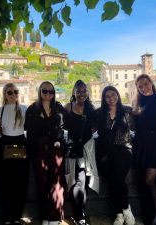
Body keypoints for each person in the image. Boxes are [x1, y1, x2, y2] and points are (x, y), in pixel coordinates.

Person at [132, 74, 156, 225]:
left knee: (150, 179)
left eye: (145, 84)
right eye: (140, 86)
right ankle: (150, 214)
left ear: (151, 83)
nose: (143, 88)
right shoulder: (138, 103)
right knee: (144, 181)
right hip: (141, 143)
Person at [25, 81, 65, 225]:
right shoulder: (32, 109)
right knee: (42, 184)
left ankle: (55, 217)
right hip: (38, 151)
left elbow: (66, 126)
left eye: (51, 91)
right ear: (40, 92)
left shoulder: (59, 108)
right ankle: (45, 217)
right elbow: (29, 133)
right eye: (45, 91)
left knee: (56, 183)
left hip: (56, 150)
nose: (48, 94)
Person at [95, 85, 135, 225]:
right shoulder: (100, 113)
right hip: (105, 152)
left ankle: (125, 209)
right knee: (112, 182)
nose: (111, 98)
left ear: (118, 95)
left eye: (113, 95)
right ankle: (119, 214)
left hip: (124, 150)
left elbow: (139, 127)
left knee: (117, 179)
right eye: (107, 96)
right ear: (104, 99)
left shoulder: (127, 111)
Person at [64, 80, 99, 225]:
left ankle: (80, 213)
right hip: (72, 148)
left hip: (86, 148)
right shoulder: (68, 107)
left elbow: (97, 125)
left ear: (87, 93)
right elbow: (61, 124)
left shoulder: (91, 108)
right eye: (78, 91)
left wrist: (88, 135)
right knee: (77, 180)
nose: (81, 94)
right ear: (74, 92)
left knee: (83, 181)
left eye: (84, 91)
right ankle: (79, 216)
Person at [0, 83, 30, 225]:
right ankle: (8, 216)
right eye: (10, 92)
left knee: (20, 184)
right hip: (8, 144)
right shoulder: (0, 110)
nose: (13, 94)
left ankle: (16, 216)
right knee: (5, 184)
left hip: (20, 142)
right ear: (5, 94)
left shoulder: (24, 108)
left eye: (16, 92)